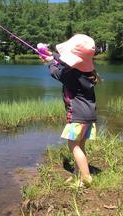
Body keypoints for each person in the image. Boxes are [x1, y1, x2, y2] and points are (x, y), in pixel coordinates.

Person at [40, 34, 100, 187]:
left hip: (77, 117)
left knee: (74, 145)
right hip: (89, 116)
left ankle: (86, 179)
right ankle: (78, 173)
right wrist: (51, 55)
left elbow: (56, 72)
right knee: (81, 146)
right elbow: (62, 61)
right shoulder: (88, 73)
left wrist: (49, 62)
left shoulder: (70, 75)